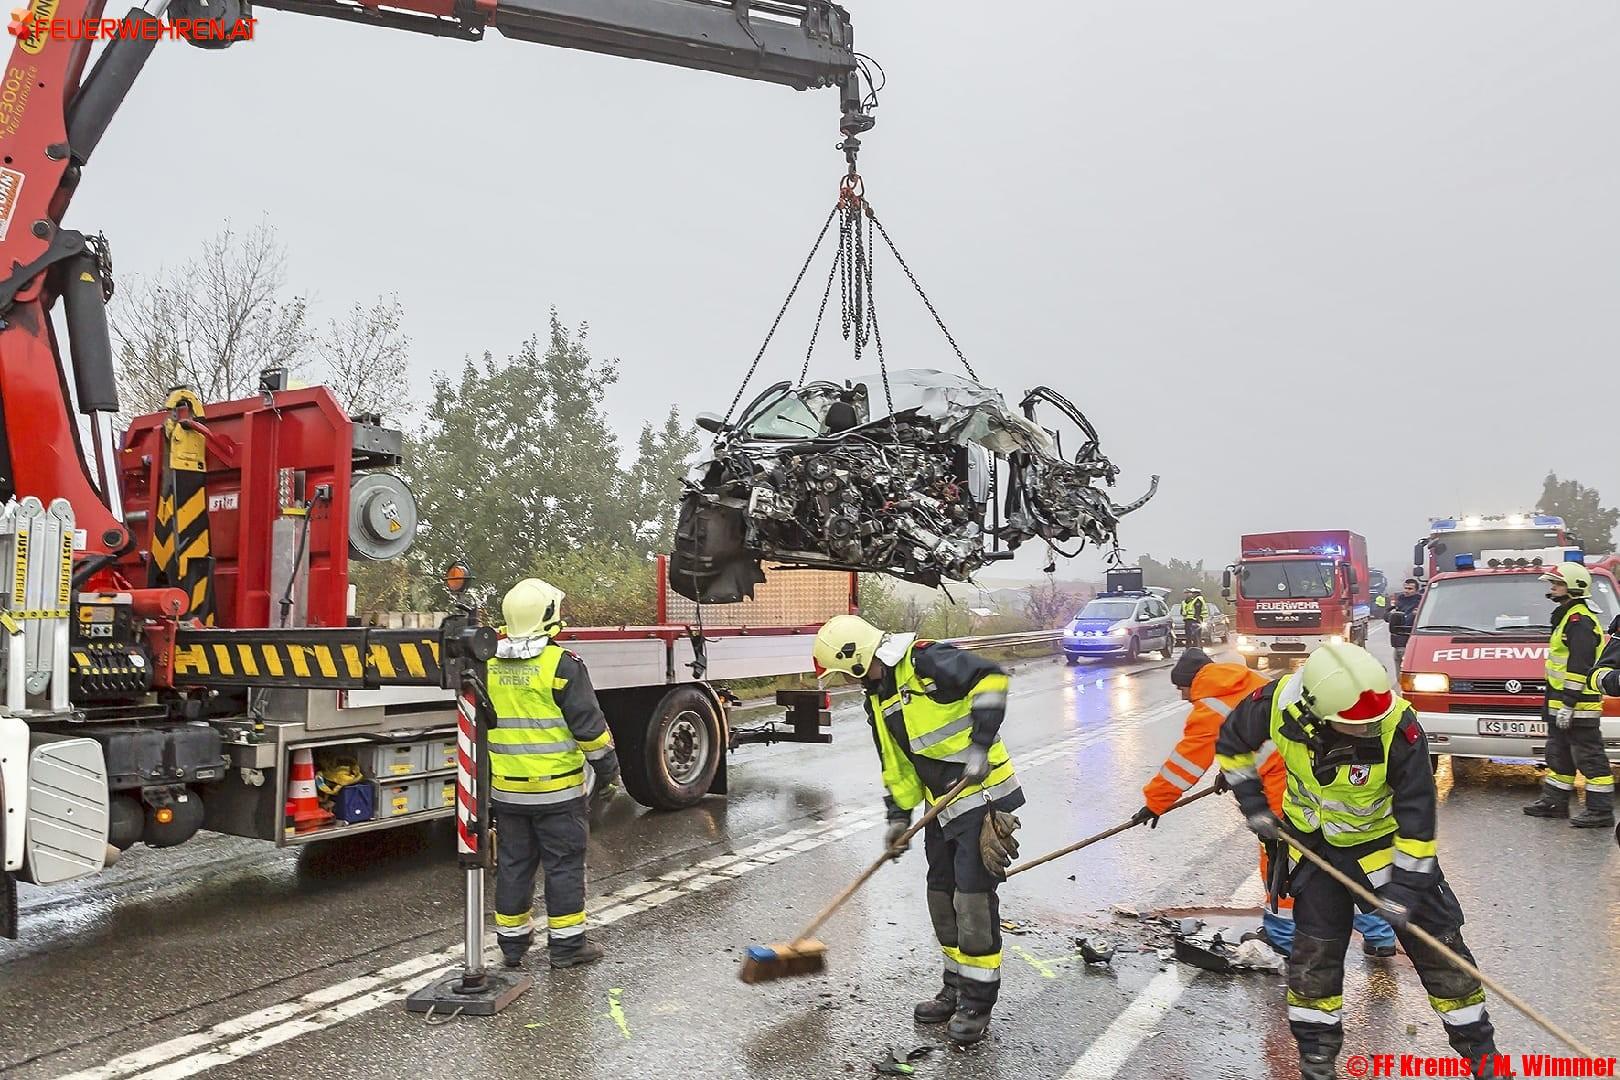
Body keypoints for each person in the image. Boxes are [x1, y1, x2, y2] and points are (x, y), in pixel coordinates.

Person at [1215, 642, 1504, 1080]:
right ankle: (1317, 1060)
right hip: (1314, 854)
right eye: (1358, 727)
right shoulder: (1275, 704)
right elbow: (1232, 744)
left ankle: (1482, 1058)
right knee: (1314, 963)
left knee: (1442, 954)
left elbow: (1418, 817)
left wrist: (1406, 892)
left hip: (1382, 850)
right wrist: (1254, 805)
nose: (1370, 731)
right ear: (1314, 715)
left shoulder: (1397, 727)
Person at [812, 614, 1023, 1047]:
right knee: (940, 895)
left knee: (972, 901)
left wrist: (981, 744)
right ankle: (955, 985)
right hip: (940, 808)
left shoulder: (926, 660)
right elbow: (897, 766)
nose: (846, 682)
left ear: (857, 659)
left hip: (981, 796)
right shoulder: (878, 696)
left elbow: (992, 677)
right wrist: (896, 819)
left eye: (842, 673)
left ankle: (977, 1003)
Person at [1134, 649, 1398, 958]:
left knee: (1282, 860)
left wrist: (1155, 802)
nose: (1182, 697)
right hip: (1325, 773)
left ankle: (1282, 936)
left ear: (1193, 682)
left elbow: (1186, 763)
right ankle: (1381, 934)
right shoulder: (1250, 681)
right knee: (1345, 854)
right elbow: (1256, 737)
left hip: (1285, 786)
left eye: (1181, 689)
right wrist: (1232, 770)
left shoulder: (1210, 706)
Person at [488, 578, 622, 970]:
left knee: (513, 865)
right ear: (548, 616)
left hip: (508, 795)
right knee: (563, 866)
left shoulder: (490, 666)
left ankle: (512, 947)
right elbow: (591, 731)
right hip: (558, 794)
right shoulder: (562, 666)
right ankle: (566, 948)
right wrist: (608, 771)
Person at [1523, 562, 1613, 829]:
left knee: (1588, 755)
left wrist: (1569, 704)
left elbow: (1579, 666)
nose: (1552, 588)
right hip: (1559, 701)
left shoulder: (1580, 620)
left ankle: (1600, 811)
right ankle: (1554, 802)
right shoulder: (1566, 615)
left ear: (1574, 587)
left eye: (1557, 584)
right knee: (1558, 753)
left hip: (1578, 705)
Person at [1387, 579, 1422, 674]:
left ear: (1416, 590)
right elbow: (1387, 617)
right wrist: (1391, 615)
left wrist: (1414, 615)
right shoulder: (1399, 601)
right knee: (1400, 676)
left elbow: (1408, 622)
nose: (1407, 590)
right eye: (1405, 588)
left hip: (1412, 642)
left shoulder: (1421, 603)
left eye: (1410, 589)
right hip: (1398, 642)